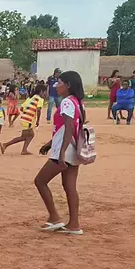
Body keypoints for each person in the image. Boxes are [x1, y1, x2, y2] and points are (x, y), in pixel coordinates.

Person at [34, 71, 85, 235]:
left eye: (60, 83)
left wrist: (61, 152)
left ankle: (54, 217)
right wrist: (50, 144)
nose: (56, 86)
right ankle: (74, 224)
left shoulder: (66, 102)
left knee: (40, 181)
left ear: (68, 85)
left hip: (64, 150)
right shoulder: (78, 102)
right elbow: (70, 128)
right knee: (70, 187)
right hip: (74, 149)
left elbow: (69, 127)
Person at [0, 84, 47, 155]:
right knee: (25, 136)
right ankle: (5, 145)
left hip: (25, 118)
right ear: (41, 91)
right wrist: (38, 120)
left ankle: (24, 150)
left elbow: (22, 108)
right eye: (45, 92)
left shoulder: (30, 98)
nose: (45, 94)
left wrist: (27, 111)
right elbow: (38, 110)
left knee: (30, 135)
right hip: (29, 120)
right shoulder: (40, 99)